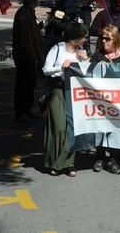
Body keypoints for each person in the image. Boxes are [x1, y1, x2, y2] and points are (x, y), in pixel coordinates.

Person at [89, 25, 120, 174]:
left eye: (107, 39)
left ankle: (114, 159)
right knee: (101, 127)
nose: (104, 41)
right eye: (102, 38)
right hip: (102, 100)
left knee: (119, 129)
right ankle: (100, 156)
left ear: (116, 40)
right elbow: (88, 75)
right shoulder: (98, 55)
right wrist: (96, 67)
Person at [42, 22, 89, 177]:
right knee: (59, 127)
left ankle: (68, 164)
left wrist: (85, 60)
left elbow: (88, 74)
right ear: (74, 38)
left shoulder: (81, 52)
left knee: (72, 128)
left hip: (75, 92)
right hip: (58, 90)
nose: (84, 40)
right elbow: (45, 70)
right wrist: (61, 67)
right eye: (83, 37)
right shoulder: (57, 49)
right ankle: (54, 161)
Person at [12, 0, 44, 123]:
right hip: (25, 57)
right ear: (32, 0)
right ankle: (21, 112)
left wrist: (38, 27)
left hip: (29, 56)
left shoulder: (29, 13)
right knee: (24, 84)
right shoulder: (23, 15)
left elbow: (31, 32)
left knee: (30, 84)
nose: (39, 1)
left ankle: (27, 110)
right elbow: (25, 40)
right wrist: (32, 56)